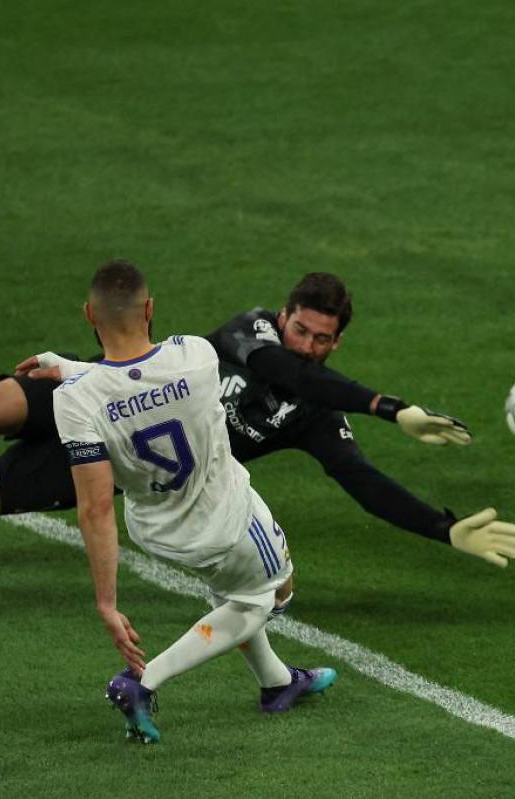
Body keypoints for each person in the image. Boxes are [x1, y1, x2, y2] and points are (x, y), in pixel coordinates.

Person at [0, 274, 515, 568]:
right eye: (300, 327)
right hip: (91, 386)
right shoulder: (251, 334)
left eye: (322, 338)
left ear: (338, 341)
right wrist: (390, 405)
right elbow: (275, 367)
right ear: (281, 315)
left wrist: (443, 527)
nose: (305, 344)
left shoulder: (314, 412)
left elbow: (362, 480)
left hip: (107, 460)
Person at [72, 260, 337, 741]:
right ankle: (143, 681)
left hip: (157, 531)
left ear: (90, 315)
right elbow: (149, 379)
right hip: (228, 519)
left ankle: (277, 683)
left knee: (233, 587)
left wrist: (107, 603)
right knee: (267, 596)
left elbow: (93, 507)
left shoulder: (72, 398)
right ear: (149, 309)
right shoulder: (195, 355)